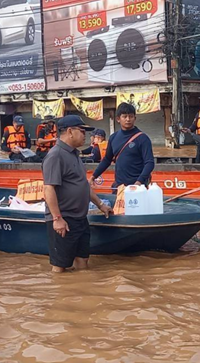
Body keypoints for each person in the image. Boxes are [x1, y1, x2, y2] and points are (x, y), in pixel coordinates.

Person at [44, 115, 113, 273]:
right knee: (60, 266)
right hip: (64, 219)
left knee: (83, 262)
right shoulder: (56, 155)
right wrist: (57, 219)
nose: (85, 136)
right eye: (82, 131)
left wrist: (101, 205)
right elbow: (49, 189)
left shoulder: (75, 154)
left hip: (80, 219)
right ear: (69, 132)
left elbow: (83, 185)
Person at [92, 103, 155, 191]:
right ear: (118, 119)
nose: (128, 119)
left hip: (138, 188)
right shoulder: (113, 137)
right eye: (124, 117)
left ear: (135, 118)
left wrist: (139, 182)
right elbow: (107, 160)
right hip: (119, 187)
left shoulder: (143, 138)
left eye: (131, 116)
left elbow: (149, 163)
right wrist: (94, 176)